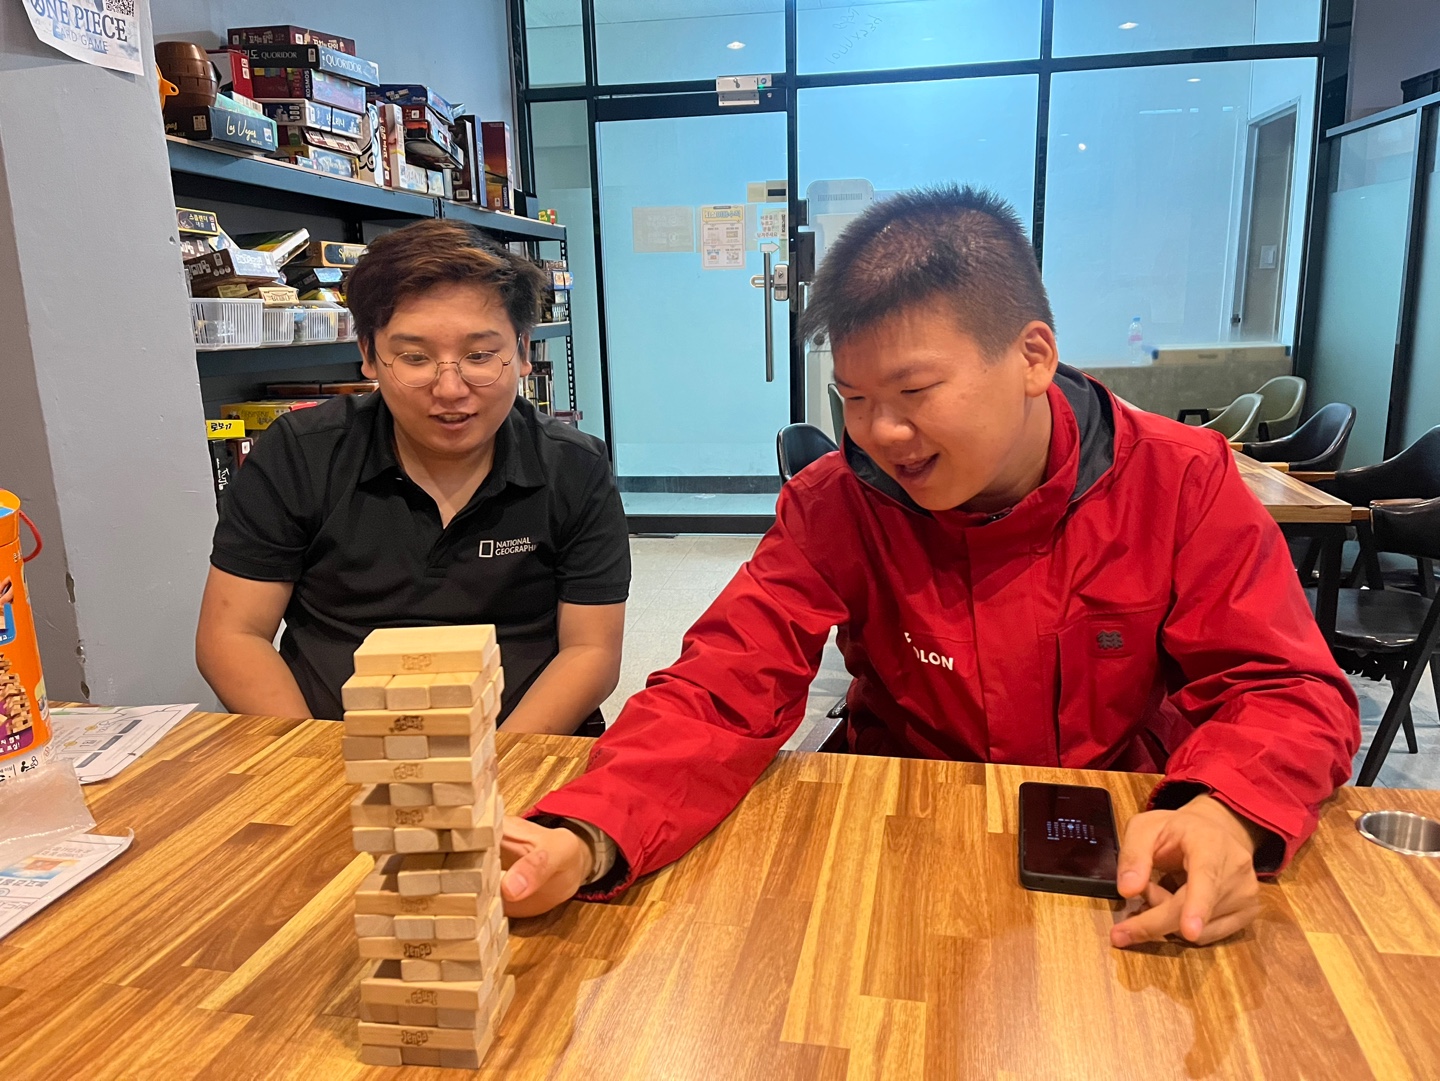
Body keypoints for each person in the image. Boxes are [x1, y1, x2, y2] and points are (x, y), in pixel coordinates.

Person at [499, 185, 1360, 948]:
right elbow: (725, 682)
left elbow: (1285, 686)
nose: (881, 432)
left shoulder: (1178, 479)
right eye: (854, 398)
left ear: (1032, 356)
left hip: (1121, 846)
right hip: (896, 826)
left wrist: (1227, 810)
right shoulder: (837, 501)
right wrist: (586, 830)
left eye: (913, 393)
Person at [196, 221, 629, 735]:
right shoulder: (299, 454)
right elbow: (232, 635)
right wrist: (320, 761)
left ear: (522, 353)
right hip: (331, 744)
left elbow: (591, 650)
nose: (450, 389)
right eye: (415, 358)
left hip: (522, 742)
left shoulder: (575, 467)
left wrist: (491, 764)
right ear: (368, 355)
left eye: (479, 355)